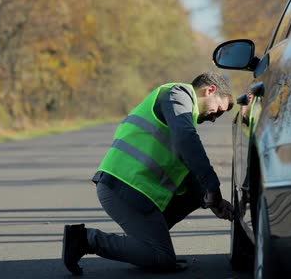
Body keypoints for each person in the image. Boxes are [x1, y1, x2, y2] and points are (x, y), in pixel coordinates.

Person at [62, 71, 235, 275]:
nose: (214, 118)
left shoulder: (179, 109)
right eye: (218, 110)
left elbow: (190, 171)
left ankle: (148, 246)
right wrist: (213, 185)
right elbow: (187, 140)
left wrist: (213, 201)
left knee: (196, 190)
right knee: (162, 259)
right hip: (122, 188)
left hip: (137, 192)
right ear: (210, 90)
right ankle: (85, 240)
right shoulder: (176, 95)